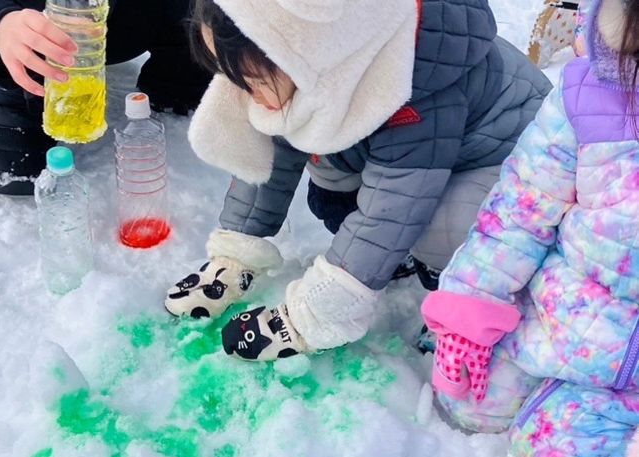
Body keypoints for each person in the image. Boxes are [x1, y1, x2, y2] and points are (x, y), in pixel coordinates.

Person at [163, 0, 552, 362]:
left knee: (437, 232)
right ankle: (400, 259)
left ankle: (464, 292)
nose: (249, 95)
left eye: (253, 81)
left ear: (301, 52)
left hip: (505, 159)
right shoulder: (315, 56)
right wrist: (236, 253)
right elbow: (271, 144)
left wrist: (310, 317)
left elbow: (395, 206)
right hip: (421, 157)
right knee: (329, 179)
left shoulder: (412, 82)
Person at [421, 0, 639, 457]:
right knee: (467, 401)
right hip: (570, 317)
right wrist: (468, 314)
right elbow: (520, 212)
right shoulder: (590, 96)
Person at [0, 0, 211, 195]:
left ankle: (188, 66)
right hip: (33, 34)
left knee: (205, 45)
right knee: (17, 169)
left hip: (145, 15)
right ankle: (23, 97)